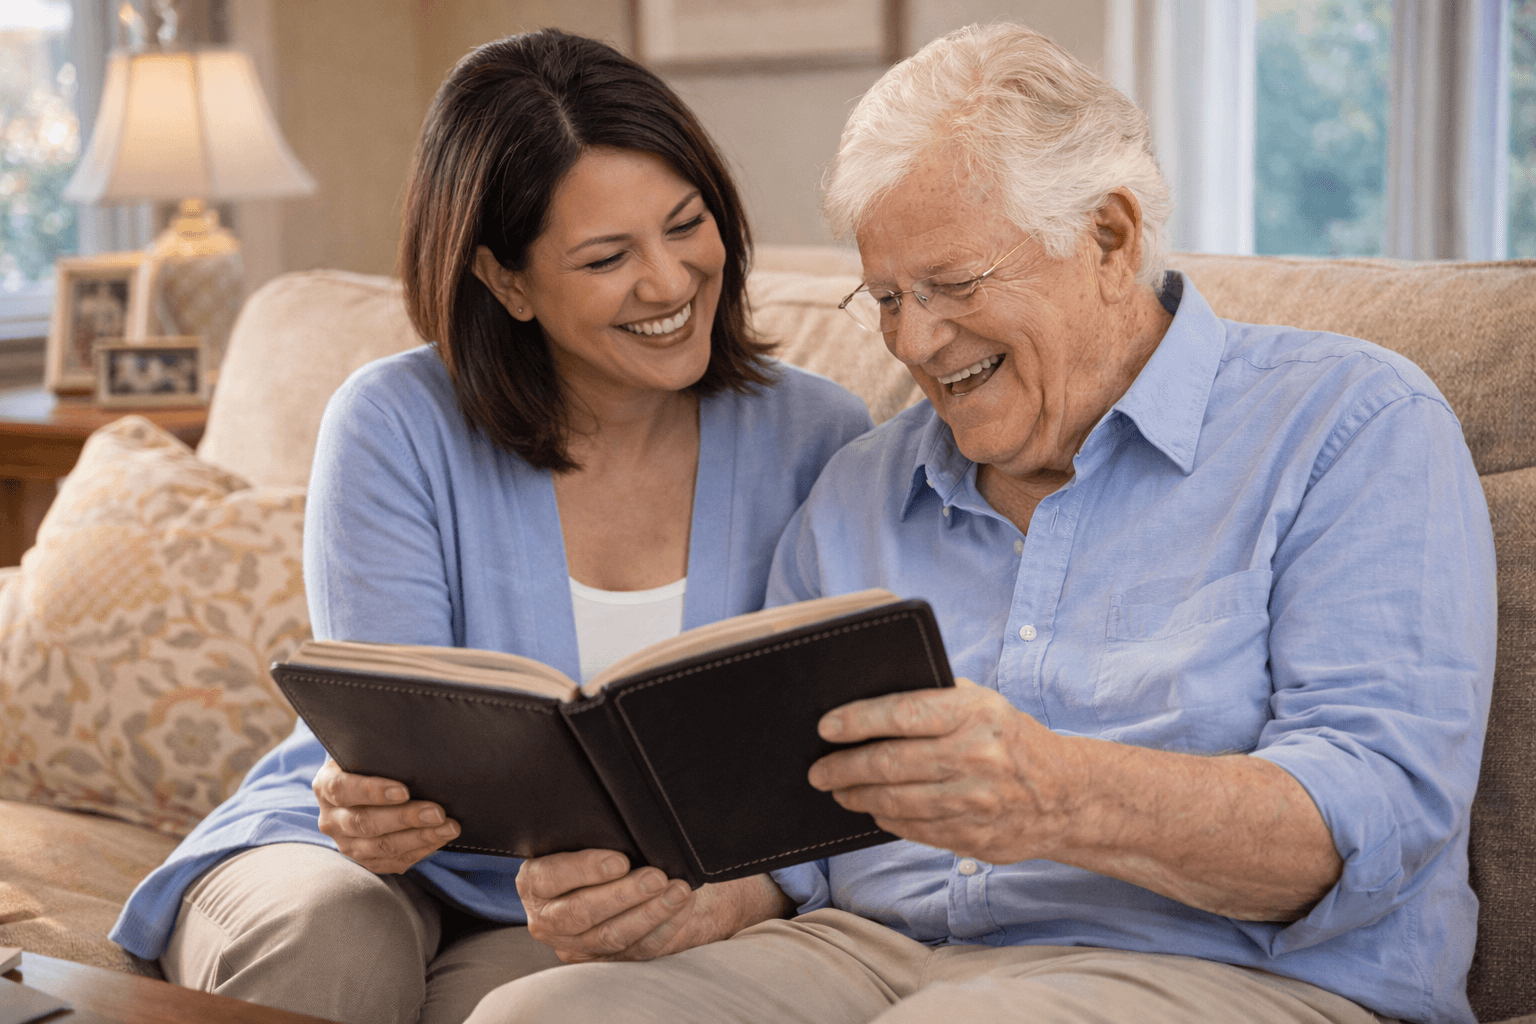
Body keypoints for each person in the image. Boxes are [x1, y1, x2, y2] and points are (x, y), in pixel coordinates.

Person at [465, 22, 1496, 1024]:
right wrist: (692, 895)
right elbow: (789, 840)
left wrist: (1058, 793)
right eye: (885, 298)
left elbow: (1378, 814)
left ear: (1108, 235)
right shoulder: (859, 490)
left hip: (1225, 966)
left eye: (953, 284)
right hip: (866, 954)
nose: (913, 339)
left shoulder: (1348, 426)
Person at [108, 29, 872, 1024]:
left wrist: (750, 888)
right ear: (504, 281)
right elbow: (394, 733)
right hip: (347, 857)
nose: (671, 281)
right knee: (332, 933)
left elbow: (839, 764)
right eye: (607, 257)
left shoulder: (821, 435)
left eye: (686, 225)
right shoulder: (391, 422)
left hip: (595, 908)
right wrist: (372, 799)